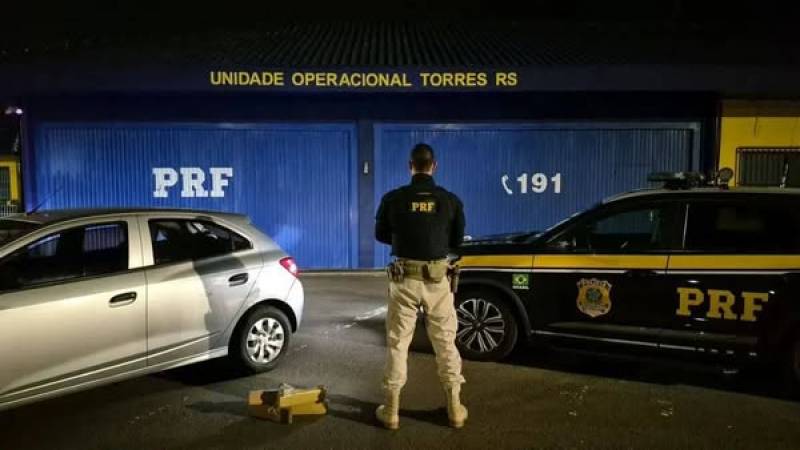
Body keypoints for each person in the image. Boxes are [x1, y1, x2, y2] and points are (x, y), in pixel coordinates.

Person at [374, 142, 467, 430]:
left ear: (410, 166)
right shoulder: (450, 200)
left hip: (404, 279)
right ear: (434, 166)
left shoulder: (393, 198)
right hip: (438, 281)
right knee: (445, 342)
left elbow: (381, 234)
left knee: (398, 343)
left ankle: (391, 410)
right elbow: (457, 241)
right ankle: (455, 408)